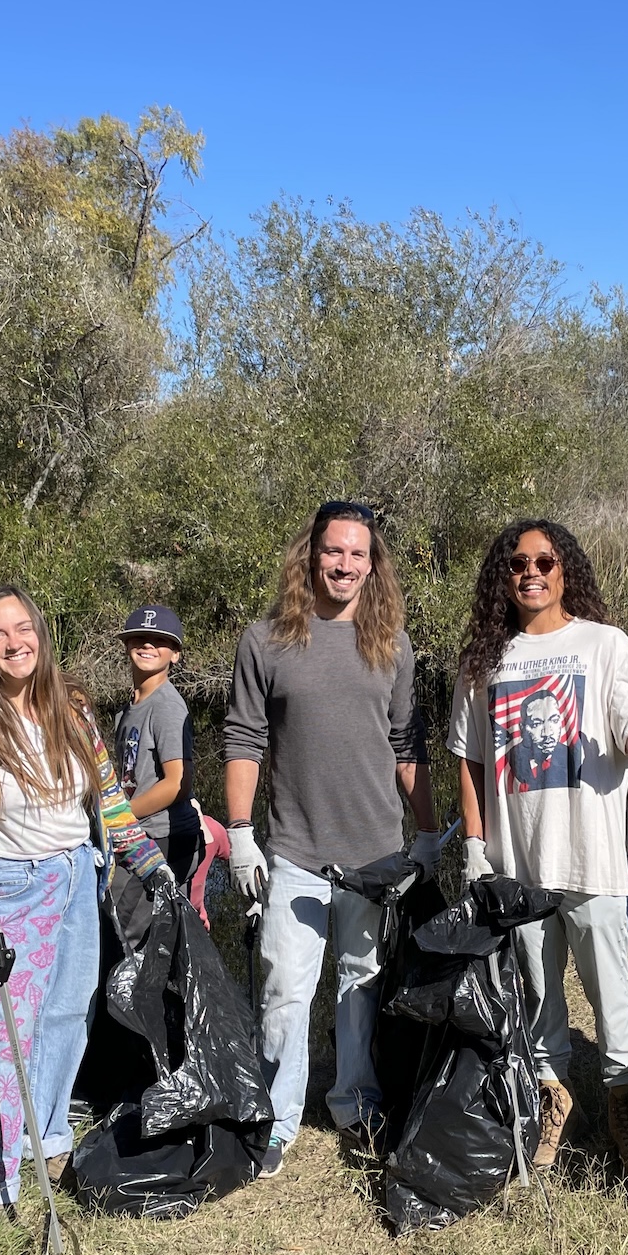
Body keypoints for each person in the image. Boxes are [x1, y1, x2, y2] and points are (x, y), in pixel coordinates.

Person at [449, 519, 628, 1175]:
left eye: (544, 560)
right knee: (537, 1000)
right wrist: (475, 848)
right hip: (519, 873)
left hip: (589, 862)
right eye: (516, 563)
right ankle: (552, 1104)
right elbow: (471, 761)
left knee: (612, 997)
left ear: (567, 570)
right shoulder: (484, 659)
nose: (530, 572)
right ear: (501, 577)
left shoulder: (605, 646)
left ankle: (626, 1109)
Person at [0, 585, 175, 1212]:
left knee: (67, 1015)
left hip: (78, 877)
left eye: (23, 628)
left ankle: (46, 1136)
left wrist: (152, 866)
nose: (14, 643)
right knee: (6, 1033)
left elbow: (108, 801)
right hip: (9, 887)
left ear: (40, 633)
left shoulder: (70, 706)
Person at [224, 500, 439, 1178]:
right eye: (333, 551)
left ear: (373, 565)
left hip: (377, 853)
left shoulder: (393, 642)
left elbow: (408, 745)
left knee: (361, 982)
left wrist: (429, 835)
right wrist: (237, 833)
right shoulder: (266, 642)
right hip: (295, 851)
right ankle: (278, 1117)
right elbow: (243, 739)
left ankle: (355, 1102)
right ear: (310, 555)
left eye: (358, 553)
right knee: (286, 988)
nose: (344, 564)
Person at [113, 604, 204, 886]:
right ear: (127, 644)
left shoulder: (166, 706)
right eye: (139, 638)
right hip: (137, 832)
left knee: (124, 926)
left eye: (161, 640)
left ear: (175, 654)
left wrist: (120, 817)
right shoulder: (128, 709)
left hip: (164, 837)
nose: (148, 645)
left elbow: (178, 782)